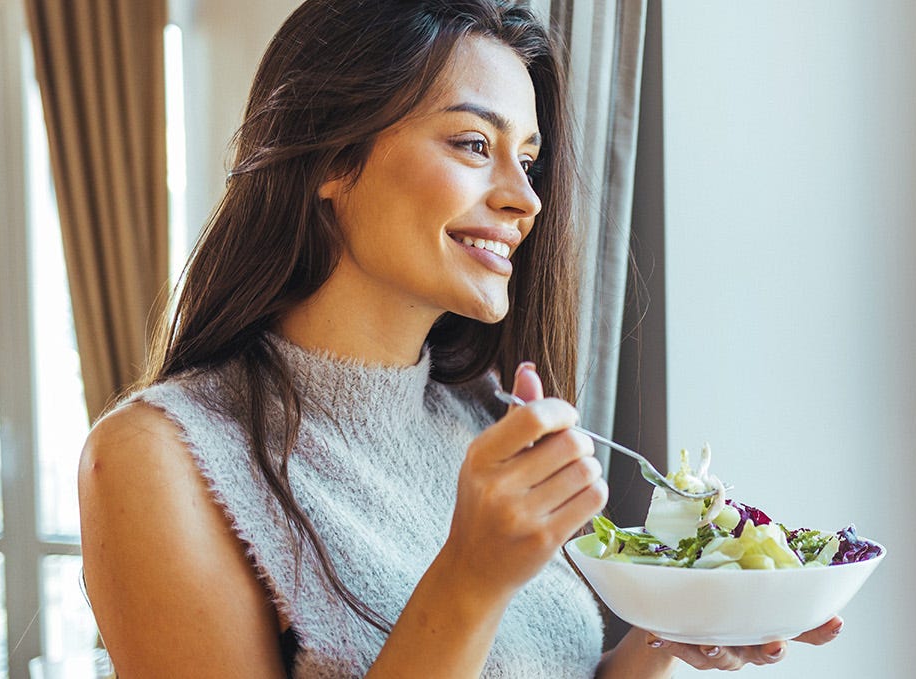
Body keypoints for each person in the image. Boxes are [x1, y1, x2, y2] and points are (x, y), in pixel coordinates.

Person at [76, 1, 842, 675]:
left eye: (530, 161)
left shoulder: (481, 418)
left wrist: (679, 624)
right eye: (475, 144)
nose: (523, 199)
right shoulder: (159, 459)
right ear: (332, 156)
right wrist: (470, 577)